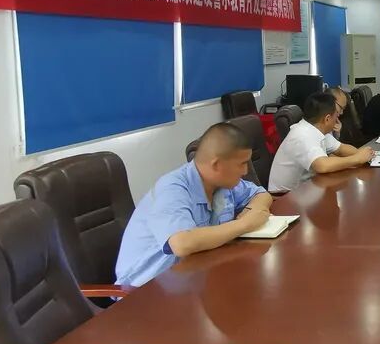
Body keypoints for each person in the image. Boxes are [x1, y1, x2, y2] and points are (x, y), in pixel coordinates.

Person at [115, 123, 274, 287]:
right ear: (216, 165)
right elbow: (182, 244)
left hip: (195, 276)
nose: (245, 171)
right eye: (241, 164)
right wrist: (245, 224)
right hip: (145, 289)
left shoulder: (222, 183)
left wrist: (252, 211)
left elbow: (261, 194)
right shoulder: (172, 189)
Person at [268, 91, 375, 193]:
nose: (337, 119)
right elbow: (322, 165)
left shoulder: (317, 129)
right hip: (285, 197)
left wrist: (364, 154)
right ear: (327, 119)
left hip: (306, 189)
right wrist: (357, 159)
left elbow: (340, 148)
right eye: (336, 116)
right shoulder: (302, 135)